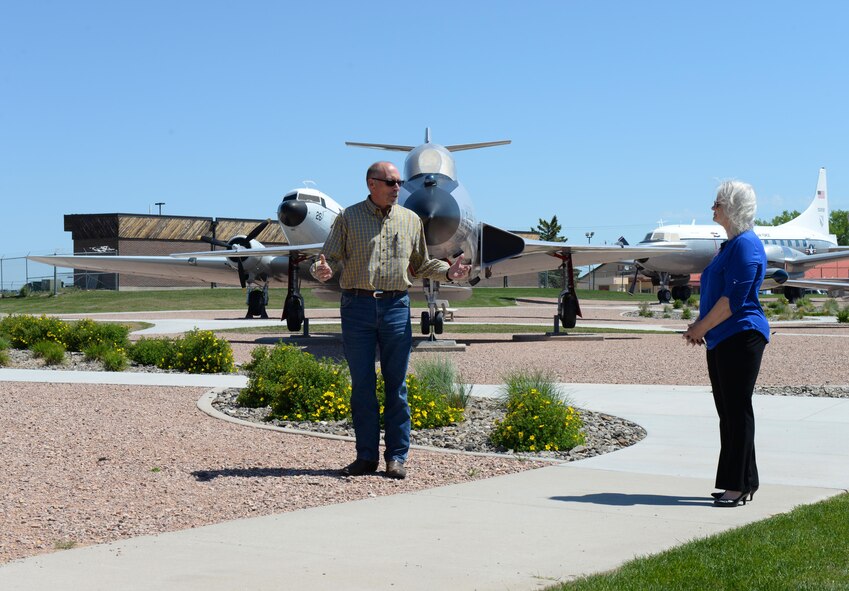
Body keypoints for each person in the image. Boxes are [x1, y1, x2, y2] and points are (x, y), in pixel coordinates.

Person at [310, 161, 471, 479]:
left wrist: (449, 272)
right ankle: (366, 457)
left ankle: (396, 457)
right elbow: (326, 258)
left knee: (396, 387)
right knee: (363, 387)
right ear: (372, 184)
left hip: (396, 308)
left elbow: (422, 264)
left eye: (399, 182)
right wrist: (320, 270)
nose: (399, 187)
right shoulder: (348, 218)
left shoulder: (411, 220)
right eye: (392, 182)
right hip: (356, 307)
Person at [683, 180, 770, 508]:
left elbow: (733, 300)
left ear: (732, 207)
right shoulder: (731, 245)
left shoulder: (746, 245)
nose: (713, 208)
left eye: (717, 203)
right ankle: (743, 481)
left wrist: (698, 328)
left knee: (736, 410)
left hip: (742, 335)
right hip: (722, 337)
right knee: (729, 412)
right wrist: (702, 329)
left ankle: (738, 485)